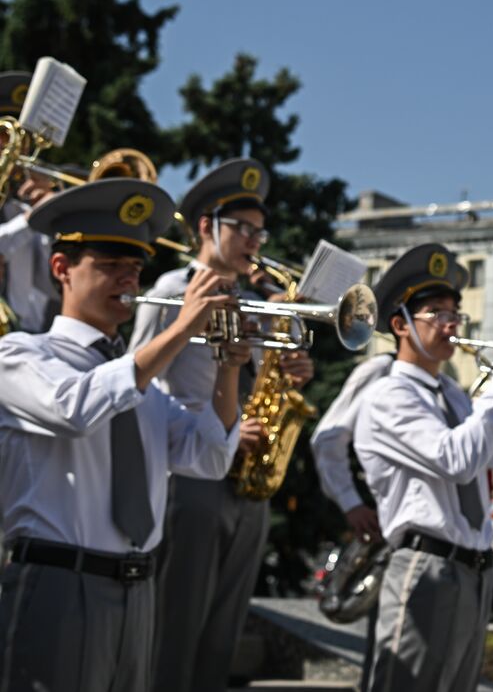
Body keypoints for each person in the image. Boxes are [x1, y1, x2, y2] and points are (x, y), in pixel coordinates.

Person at [0, 179, 243, 691]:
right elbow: (76, 408)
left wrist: (227, 368)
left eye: (135, 267)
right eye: (110, 264)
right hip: (58, 582)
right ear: (61, 268)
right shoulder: (21, 354)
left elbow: (208, 456)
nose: (127, 278)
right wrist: (179, 330)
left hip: (138, 587)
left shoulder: (143, 387)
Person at [132, 158, 316, 691]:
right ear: (207, 226)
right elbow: (139, 375)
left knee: (223, 631)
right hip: (189, 476)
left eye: (260, 231)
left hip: (245, 479)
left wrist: (292, 370)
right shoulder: (171, 287)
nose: (255, 242)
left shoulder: (255, 301)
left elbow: (261, 380)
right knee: (178, 624)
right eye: (243, 229)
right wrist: (222, 431)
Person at [353, 244, 493, 691]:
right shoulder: (388, 396)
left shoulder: (453, 397)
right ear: (400, 325)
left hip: (473, 570)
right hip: (424, 564)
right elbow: (458, 461)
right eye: (436, 314)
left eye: (455, 314)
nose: (452, 325)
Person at [309, 244, 426, 690]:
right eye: (436, 313)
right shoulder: (380, 371)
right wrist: (351, 503)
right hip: (382, 523)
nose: (452, 325)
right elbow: (328, 439)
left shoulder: (443, 384)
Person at [0, 70, 62, 334]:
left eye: (24, 142)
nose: (18, 151)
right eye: (9, 139)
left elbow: (50, 287)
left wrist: (50, 218)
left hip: (25, 336)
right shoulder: (24, 217)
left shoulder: (20, 209)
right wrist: (30, 220)